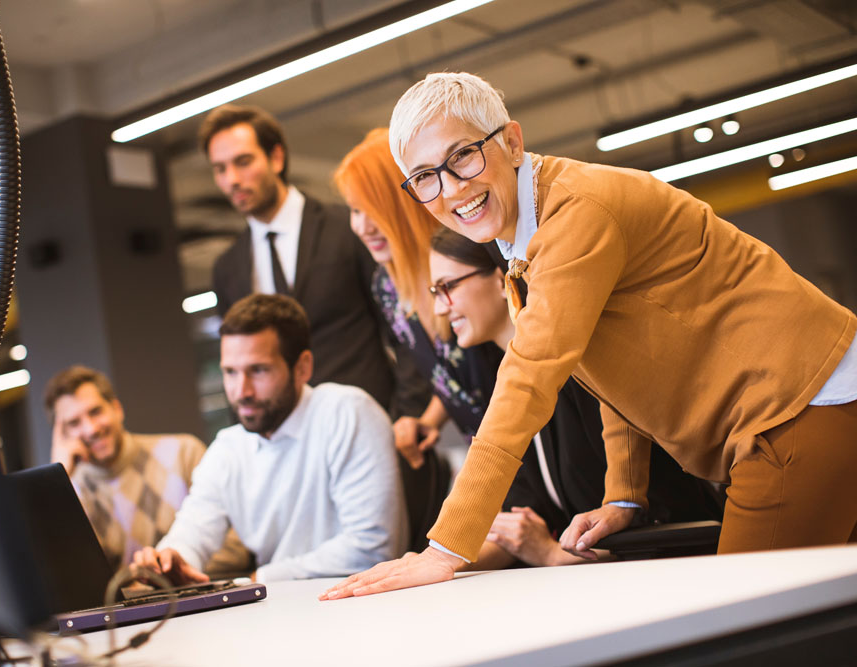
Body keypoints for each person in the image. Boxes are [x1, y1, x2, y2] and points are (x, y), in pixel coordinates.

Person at [321, 71, 857, 600]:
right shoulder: (526, 235)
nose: (452, 188)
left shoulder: (575, 212)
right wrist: (624, 496)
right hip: (797, 409)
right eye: (425, 177)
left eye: (462, 155)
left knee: (746, 628)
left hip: (800, 409)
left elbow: (527, 381)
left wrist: (447, 547)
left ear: (511, 141)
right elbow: (616, 367)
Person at [427, 226, 723, 568]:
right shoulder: (507, 383)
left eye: (447, 287)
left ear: (501, 280)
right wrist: (435, 563)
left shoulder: (583, 372)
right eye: (435, 292)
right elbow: (520, 523)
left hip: (685, 568)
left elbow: (657, 512)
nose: (439, 309)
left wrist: (550, 554)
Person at [132, 294, 407, 583]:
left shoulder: (347, 412)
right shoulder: (228, 447)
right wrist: (172, 559)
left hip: (361, 608)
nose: (242, 391)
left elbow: (372, 548)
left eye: (258, 370)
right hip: (282, 610)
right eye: (230, 372)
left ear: (302, 367)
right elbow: (193, 529)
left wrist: (256, 580)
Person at [204, 105, 410, 415]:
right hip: (288, 440)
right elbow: (237, 363)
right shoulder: (227, 269)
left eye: (243, 162)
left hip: (374, 419)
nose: (232, 179)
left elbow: (403, 327)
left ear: (276, 157)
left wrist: (410, 415)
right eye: (220, 169)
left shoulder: (347, 228)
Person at [333, 127, 505, 469]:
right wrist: (430, 419)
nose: (364, 227)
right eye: (355, 211)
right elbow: (450, 374)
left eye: (373, 210)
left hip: (536, 438)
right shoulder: (387, 286)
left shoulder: (466, 258)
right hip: (490, 457)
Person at [44, 366, 250, 572]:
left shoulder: (184, 452)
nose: (91, 429)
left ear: (117, 409)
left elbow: (236, 548)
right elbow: (68, 573)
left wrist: (158, 576)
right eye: (74, 423)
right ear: (60, 434)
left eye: (95, 412)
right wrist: (58, 477)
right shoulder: (69, 493)